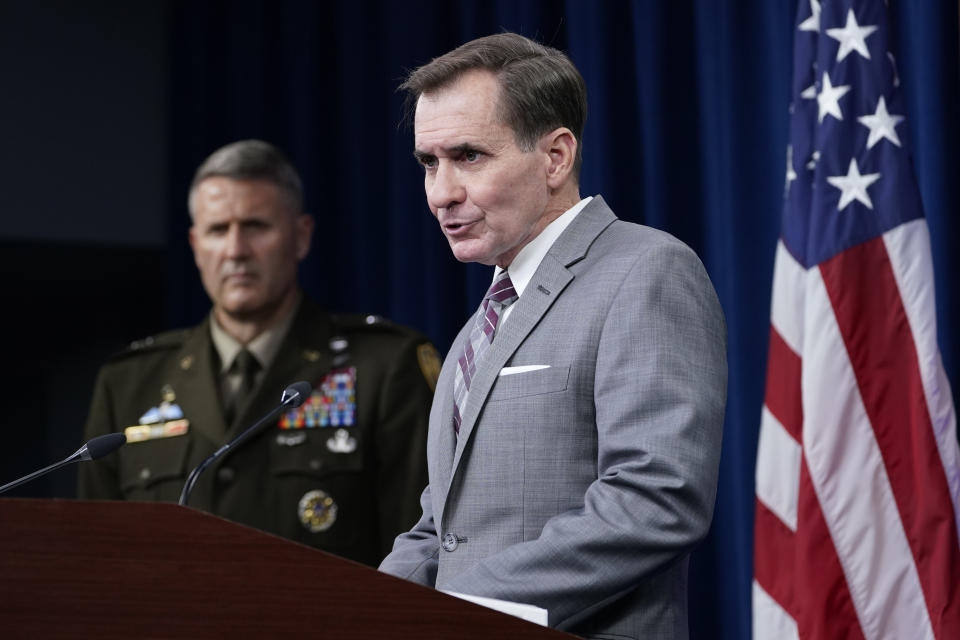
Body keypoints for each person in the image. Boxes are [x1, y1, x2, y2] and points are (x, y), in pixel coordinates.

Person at [378, 33, 727, 639]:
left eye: (469, 156)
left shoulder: (644, 270)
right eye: (429, 163)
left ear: (556, 157)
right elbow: (442, 530)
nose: (440, 193)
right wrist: (355, 611)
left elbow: (654, 499)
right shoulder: (476, 332)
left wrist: (457, 608)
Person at [79, 140, 439, 567]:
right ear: (195, 245)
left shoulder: (384, 366)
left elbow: (421, 553)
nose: (235, 251)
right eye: (217, 230)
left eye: (255, 226)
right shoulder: (129, 383)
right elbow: (97, 560)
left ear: (301, 237)